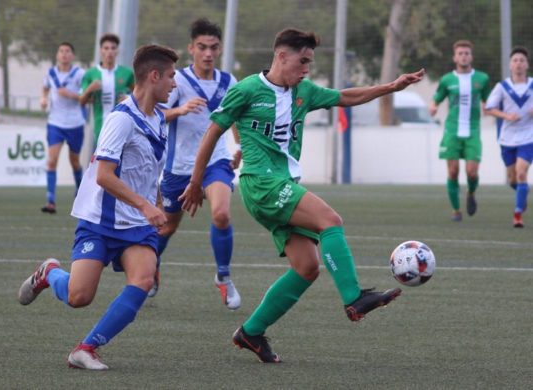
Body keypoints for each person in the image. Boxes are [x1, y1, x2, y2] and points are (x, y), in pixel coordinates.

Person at [179, 28, 424, 363]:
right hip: (261, 184)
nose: (307, 67)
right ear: (281, 56)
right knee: (330, 220)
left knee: (307, 267)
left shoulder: (303, 91)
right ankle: (354, 298)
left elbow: (346, 97)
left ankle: (250, 332)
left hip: (283, 184)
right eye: (303, 60)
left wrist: (391, 87)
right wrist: (196, 183)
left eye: (310, 61)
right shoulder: (248, 89)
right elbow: (213, 131)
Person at [18, 44, 179, 370]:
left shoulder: (160, 119)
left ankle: (85, 348)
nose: (175, 84)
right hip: (101, 220)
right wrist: (147, 207)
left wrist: (157, 203)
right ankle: (50, 273)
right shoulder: (121, 119)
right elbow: (104, 176)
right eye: (172, 77)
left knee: (143, 280)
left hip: (137, 225)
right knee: (79, 297)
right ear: (154, 76)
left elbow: (151, 171)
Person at [148, 18, 242, 310]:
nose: (208, 53)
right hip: (179, 168)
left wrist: (239, 148)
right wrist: (180, 109)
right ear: (191, 48)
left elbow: (238, 118)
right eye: (202, 47)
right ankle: (153, 267)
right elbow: (153, 116)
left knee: (222, 214)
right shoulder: (179, 81)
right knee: (166, 227)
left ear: (220, 48)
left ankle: (223, 278)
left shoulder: (229, 82)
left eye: (213, 47)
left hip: (216, 162)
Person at [429, 40, 491, 222]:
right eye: (460, 53)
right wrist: (432, 107)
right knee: (453, 171)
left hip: (473, 131)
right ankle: (456, 210)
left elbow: (487, 101)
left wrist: (489, 107)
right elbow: (436, 99)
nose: (464, 56)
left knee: (472, 172)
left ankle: (471, 192)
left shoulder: (482, 78)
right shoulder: (447, 79)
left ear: (471, 56)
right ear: (455, 57)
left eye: (467, 53)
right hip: (452, 131)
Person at [485, 46, 533, 228]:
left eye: (522, 60)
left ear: (527, 64)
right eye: (515, 60)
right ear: (510, 65)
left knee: (521, 173)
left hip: (529, 137)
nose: (518, 63)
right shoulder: (502, 87)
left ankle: (518, 214)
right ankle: (522, 193)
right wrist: (507, 116)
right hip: (507, 138)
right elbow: (489, 108)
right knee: (513, 179)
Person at [40, 42, 86, 214]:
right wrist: (43, 99)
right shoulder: (51, 73)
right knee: (52, 160)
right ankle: (50, 201)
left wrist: (72, 95)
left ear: (72, 56)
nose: (64, 54)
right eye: (61, 51)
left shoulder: (79, 74)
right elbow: (44, 89)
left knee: (74, 161)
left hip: (75, 123)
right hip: (55, 122)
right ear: (57, 55)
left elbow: (86, 96)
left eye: (67, 51)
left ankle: (80, 192)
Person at [80, 33, 135, 146]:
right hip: (100, 126)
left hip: (122, 125)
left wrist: (129, 99)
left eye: (113, 48)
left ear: (117, 51)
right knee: (101, 160)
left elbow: (140, 97)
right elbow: (81, 102)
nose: (110, 51)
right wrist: (89, 89)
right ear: (101, 50)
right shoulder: (91, 74)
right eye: (106, 48)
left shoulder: (127, 73)